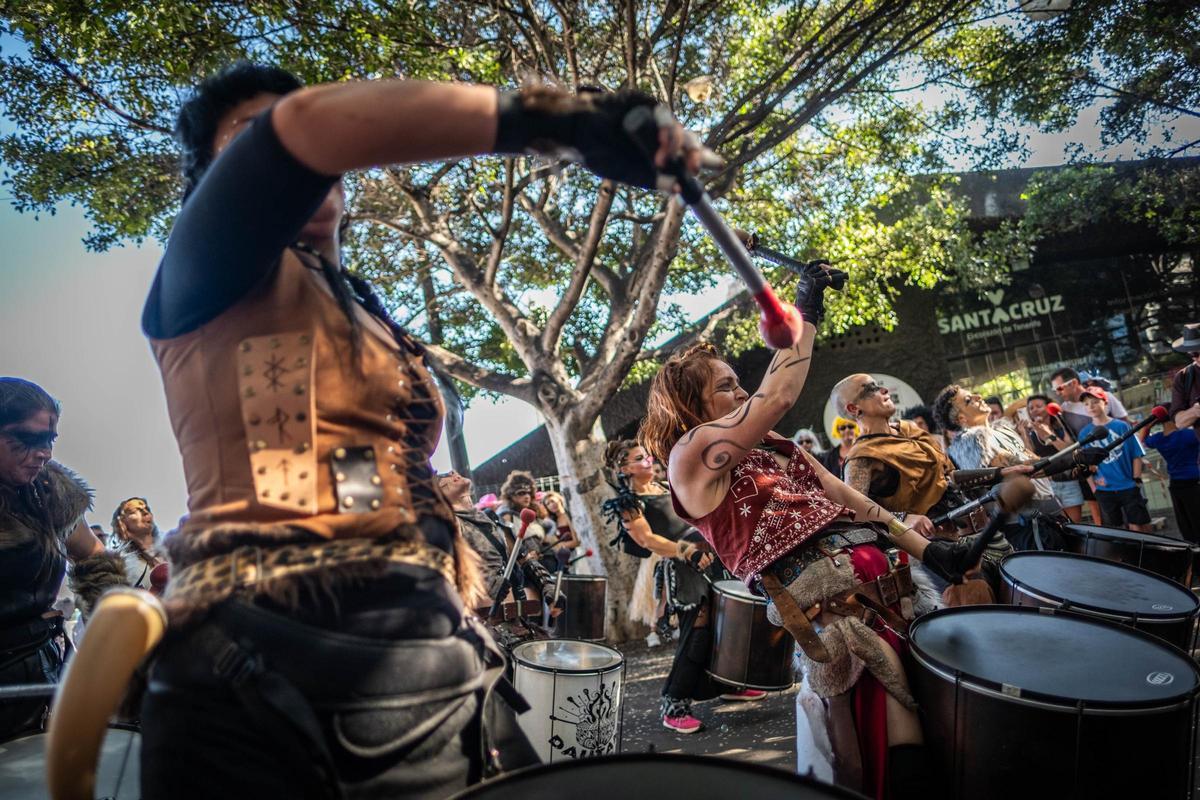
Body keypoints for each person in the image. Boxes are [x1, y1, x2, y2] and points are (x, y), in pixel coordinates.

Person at [135, 61, 706, 797]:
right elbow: (301, 130)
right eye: (247, 141)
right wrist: (560, 119)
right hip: (273, 650)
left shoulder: (354, 313)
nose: (297, 152)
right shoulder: (210, 272)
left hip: (420, 637)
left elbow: (348, 470)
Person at [641, 269, 978, 799]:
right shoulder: (693, 456)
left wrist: (930, 551)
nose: (742, 390)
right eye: (725, 386)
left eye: (738, 380)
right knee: (883, 732)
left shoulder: (773, 446)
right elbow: (776, 396)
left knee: (927, 712)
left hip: (888, 589)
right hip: (834, 614)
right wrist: (806, 308)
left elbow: (850, 500)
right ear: (692, 405)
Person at [601, 439, 761, 736]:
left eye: (647, 456)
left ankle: (726, 683)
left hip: (707, 559)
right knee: (696, 634)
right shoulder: (629, 503)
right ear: (624, 469)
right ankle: (673, 703)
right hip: (679, 569)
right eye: (639, 458)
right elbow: (647, 540)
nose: (648, 460)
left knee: (721, 625)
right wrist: (688, 551)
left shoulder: (664, 488)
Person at [0, 378, 126, 739]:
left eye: (49, 440)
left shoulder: (51, 493)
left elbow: (93, 556)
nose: (44, 453)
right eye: (26, 438)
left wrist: (117, 619)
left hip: (45, 670)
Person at [933, 385, 1060, 552]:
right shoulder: (971, 441)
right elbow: (1021, 469)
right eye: (968, 400)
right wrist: (1066, 461)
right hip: (1025, 524)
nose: (978, 396)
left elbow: (1033, 459)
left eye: (973, 394)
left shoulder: (1003, 429)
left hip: (1050, 509)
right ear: (961, 418)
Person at [1080, 388, 1151, 532]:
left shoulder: (1121, 426)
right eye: (1087, 404)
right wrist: (1094, 488)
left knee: (1138, 525)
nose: (1091, 406)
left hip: (1128, 485)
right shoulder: (1084, 433)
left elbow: (1136, 454)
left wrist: (1136, 479)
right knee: (1115, 530)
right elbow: (1084, 465)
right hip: (1104, 489)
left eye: (1095, 402)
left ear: (1105, 403)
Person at [1018, 394, 1084, 523]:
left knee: (1075, 525)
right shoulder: (1031, 434)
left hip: (1068, 480)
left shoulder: (1060, 427)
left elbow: (1070, 452)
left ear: (1048, 407)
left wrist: (1050, 435)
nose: (1034, 410)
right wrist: (1024, 434)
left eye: (1038, 406)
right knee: (1058, 526)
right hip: (1047, 484)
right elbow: (1029, 458)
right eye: (1031, 408)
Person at [1141, 419, 1200, 544]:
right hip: (1194, 481)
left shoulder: (1158, 439)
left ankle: (1193, 551)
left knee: (1185, 522)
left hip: (1176, 484)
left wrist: (1148, 426)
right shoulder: (1189, 434)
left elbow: (1143, 440)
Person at [109, 497, 167, 590]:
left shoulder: (173, 549)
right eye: (134, 511)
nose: (145, 512)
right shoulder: (122, 563)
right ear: (121, 522)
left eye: (146, 509)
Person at [1169, 323, 1200, 432]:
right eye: (1194, 354)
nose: (1198, 358)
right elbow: (1179, 422)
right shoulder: (1184, 376)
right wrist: (1196, 411)